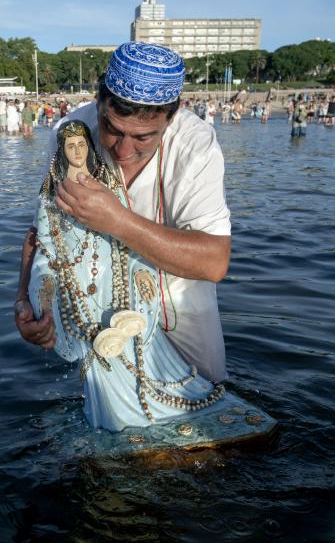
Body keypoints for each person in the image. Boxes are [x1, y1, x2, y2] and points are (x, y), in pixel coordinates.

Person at [15, 41, 232, 384]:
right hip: (97, 305)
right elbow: (43, 232)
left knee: (208, 398)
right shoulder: (72, 135)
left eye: (143, 137)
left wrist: (115, 220)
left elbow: (214, 262)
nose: (123, 149)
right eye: (112, 129)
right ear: (98, 102)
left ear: (171, 116)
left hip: (182, 300)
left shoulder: (195, 145)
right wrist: (23, 298)